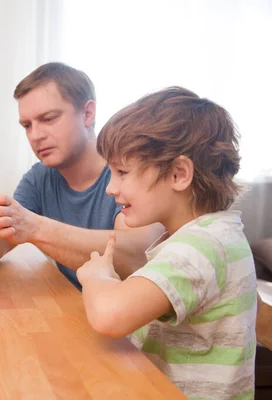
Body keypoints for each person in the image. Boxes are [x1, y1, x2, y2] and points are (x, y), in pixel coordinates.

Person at [77, 87, 256, 399]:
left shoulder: (201, 247)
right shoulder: (210, 235)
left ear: (178, 174)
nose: (110, 188)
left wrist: (98, 277)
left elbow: (109, 315)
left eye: (122, 172)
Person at [0, 62, 163, 289]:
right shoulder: (39, 178)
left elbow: (138, 255)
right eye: (27, 125)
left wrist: (34, 227)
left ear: (87, 113)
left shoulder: (130, 171)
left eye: (48, 119)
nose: (35, 135)